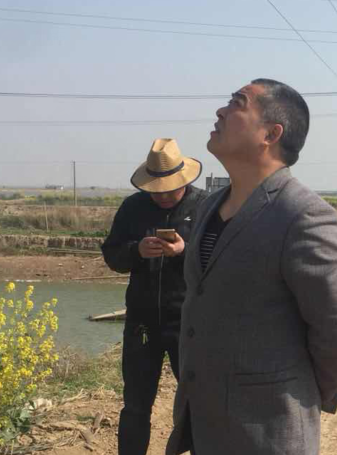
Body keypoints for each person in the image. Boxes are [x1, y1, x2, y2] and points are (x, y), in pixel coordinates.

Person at [165, 79, 337, 455]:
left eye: (237, 103)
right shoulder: (209, 207)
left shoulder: (303, 215)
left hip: (268, 431)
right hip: (205, 427)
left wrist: (299, 393)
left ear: (271, 134)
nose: (221, 111)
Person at [101, 138, 208, 455]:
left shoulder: (206, 207)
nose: (161, 195)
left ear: (184, 180)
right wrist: (136, 251)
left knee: (199, 404)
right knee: (135, 404)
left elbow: (222, 262)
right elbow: (112, 256)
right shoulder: (132, 208)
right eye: (155, 189)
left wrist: (184, 252)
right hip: (142, 323)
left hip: (190, 323)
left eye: (168, 189)